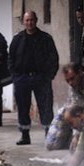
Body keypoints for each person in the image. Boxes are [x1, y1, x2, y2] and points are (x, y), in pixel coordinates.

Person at [8, 11, 59, 145]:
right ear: (23, 22)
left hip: (41, 78)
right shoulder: (17, 39)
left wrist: (49, 76)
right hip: (22, 79)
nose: (29, 23)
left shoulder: (45, 38)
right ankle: (25, 136)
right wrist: (15, 76)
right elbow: (10, 58)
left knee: (46, 107)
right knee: (23, 107)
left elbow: (53, 58)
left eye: (31, 20)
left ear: (36, 20)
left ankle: (49, 136)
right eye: (27, 20)